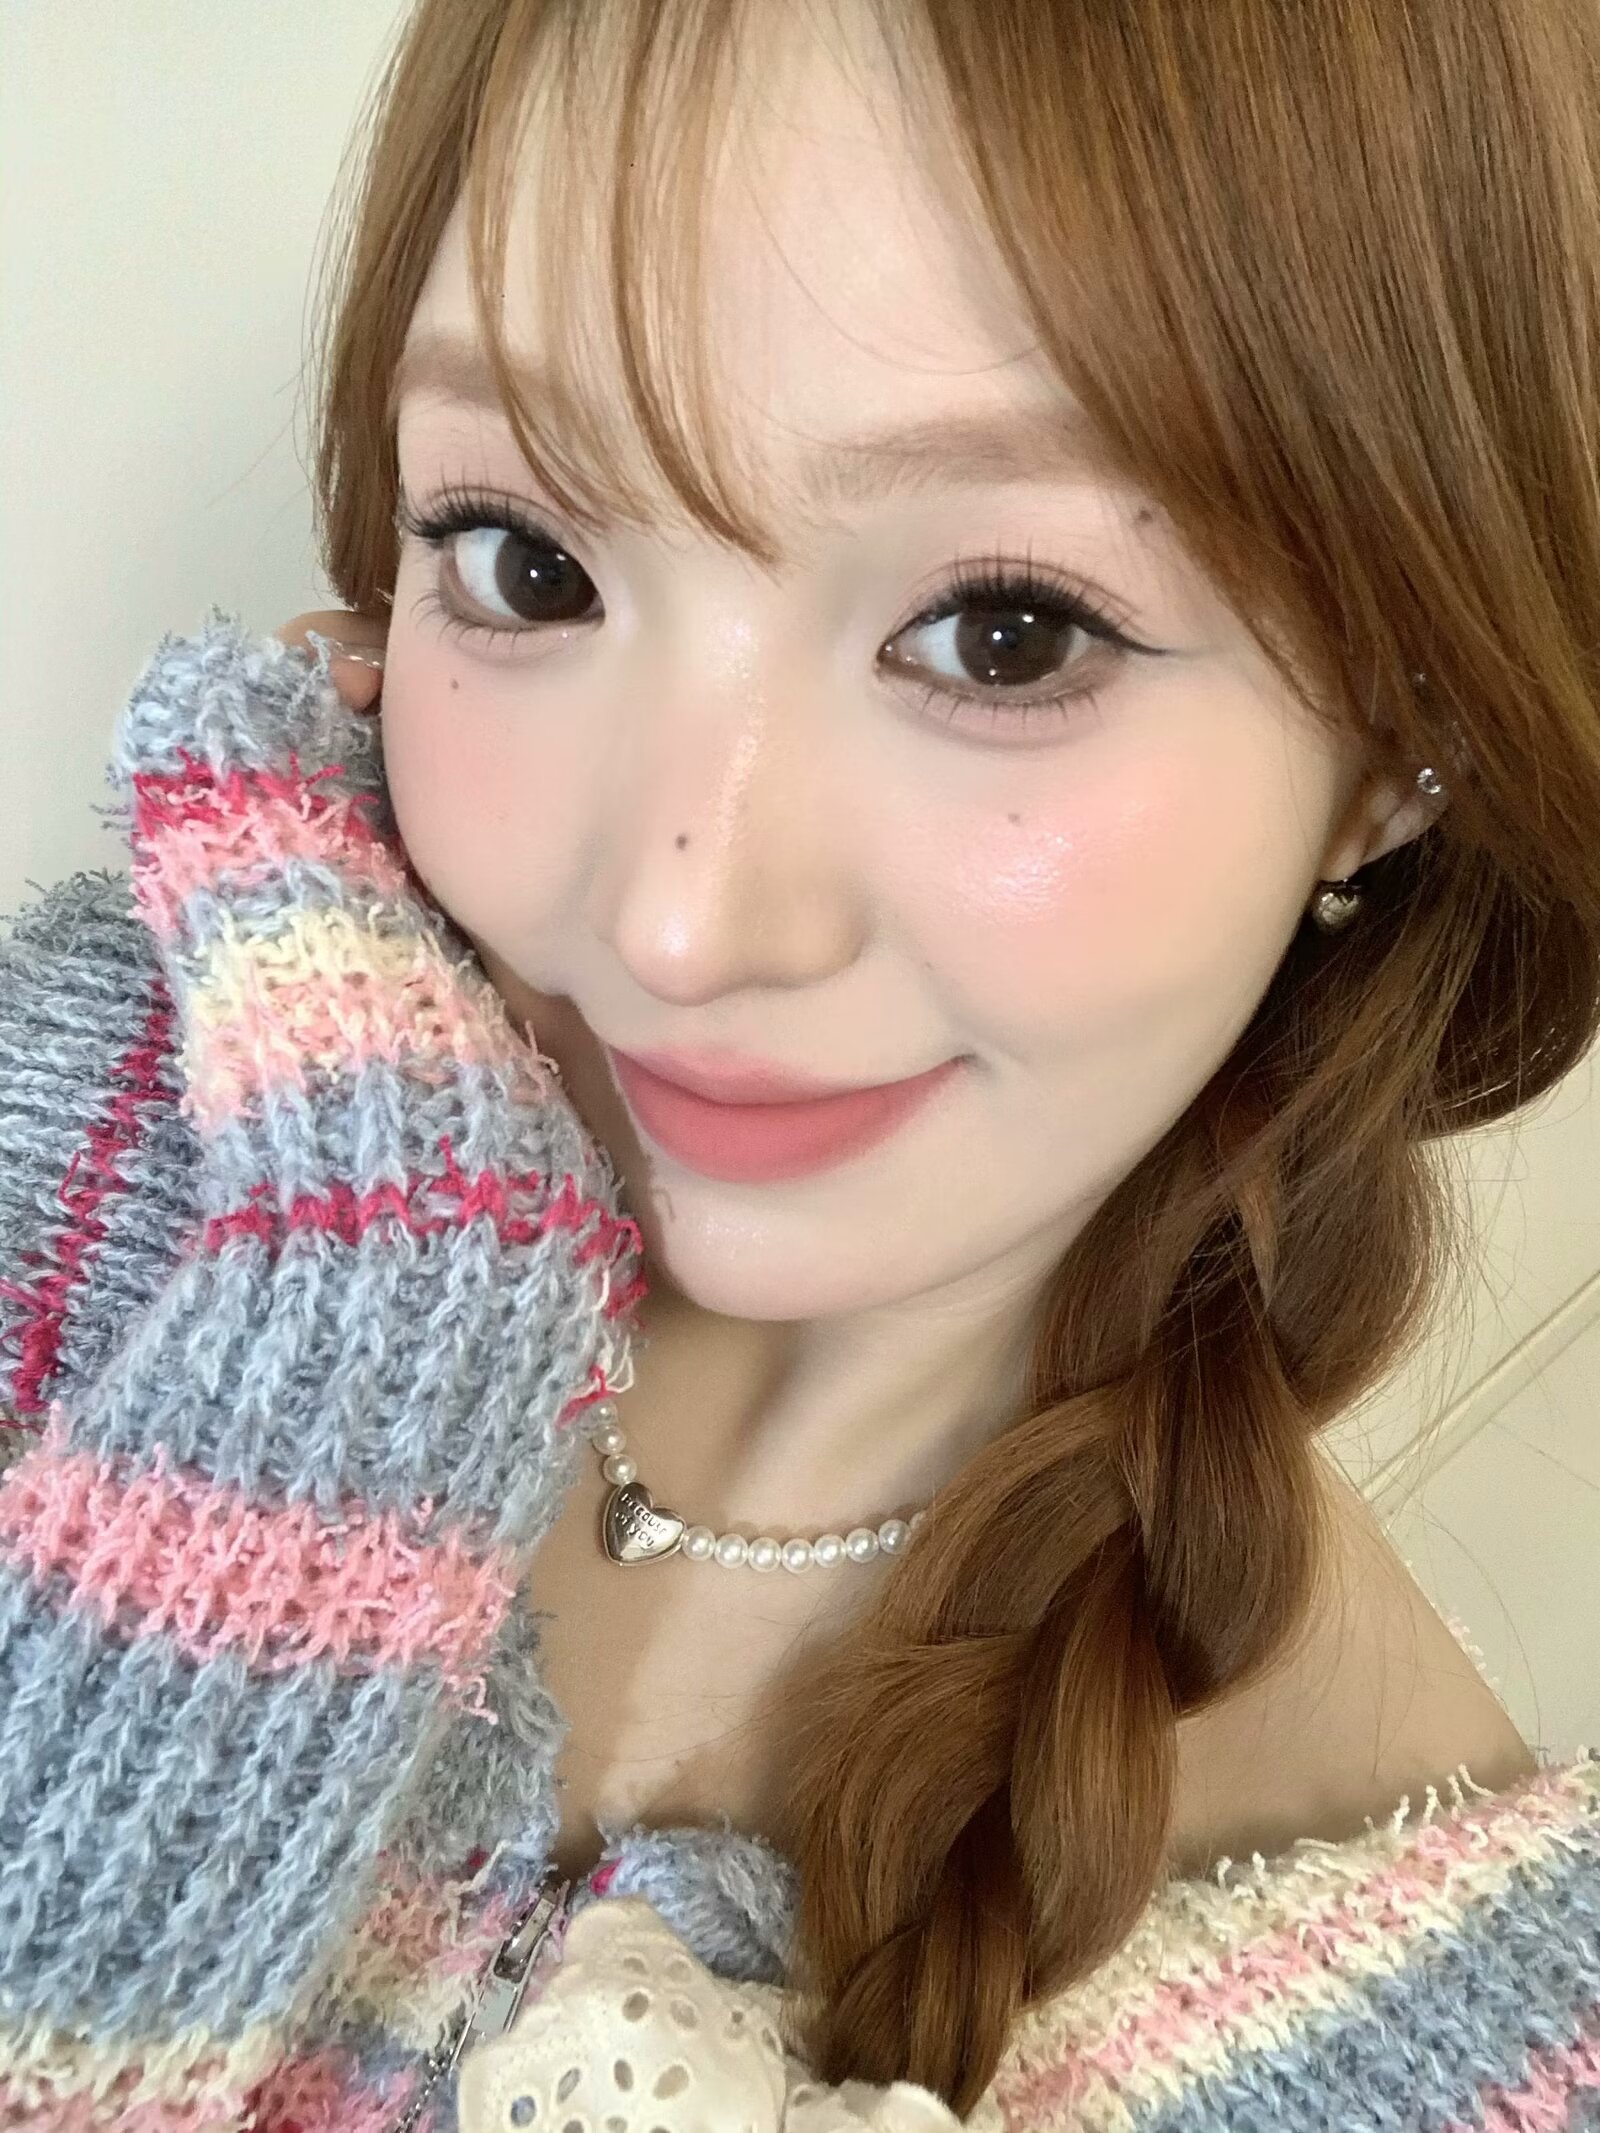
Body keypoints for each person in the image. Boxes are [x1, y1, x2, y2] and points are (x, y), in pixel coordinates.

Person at [2, 1, 1598, 2128]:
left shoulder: (1444, 2036)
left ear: (1404, 741)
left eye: (1007, 631)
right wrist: (364, 1318)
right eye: (529, 561)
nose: (677, 922)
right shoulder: (97, 1128)